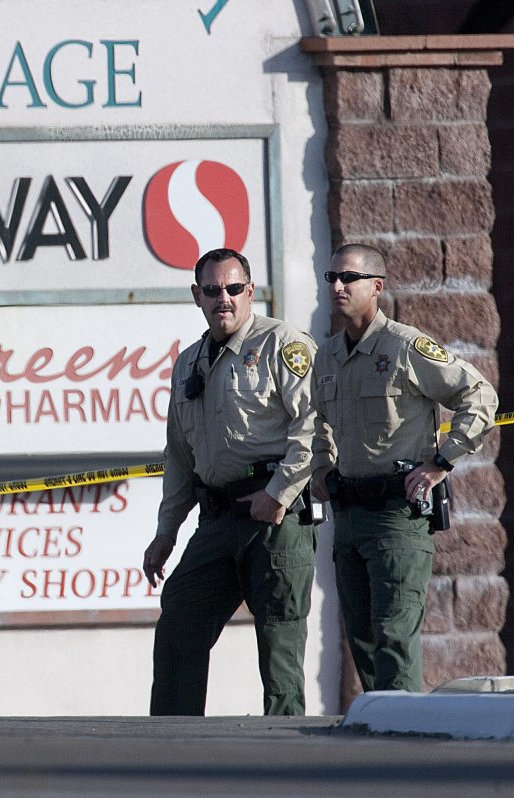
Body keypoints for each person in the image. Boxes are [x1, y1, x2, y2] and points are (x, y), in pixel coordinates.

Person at [310, 243, 497, 693]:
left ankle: (404, 747)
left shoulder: (405, 346)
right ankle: (380, 741)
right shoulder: (328, 355)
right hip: (350, 513)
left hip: (398, 515)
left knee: (393, 637)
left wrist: (440, 463)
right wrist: (321, 465)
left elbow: (480, 397)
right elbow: (315, 421)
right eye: (331, 278)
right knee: (362, 640)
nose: (337, 286)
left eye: (348, 278)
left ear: (376, 287)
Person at [143, 247, 318, 716]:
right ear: (197, 296)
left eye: (234, 288)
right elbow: (179, 458)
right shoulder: (188, 364)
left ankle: (287, 773)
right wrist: (166, 532)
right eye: (214, 290)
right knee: (179, 623)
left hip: (274, 521)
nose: (225, 298)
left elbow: (315, 428)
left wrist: (279, 493)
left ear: (250, 292)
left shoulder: (283, 343)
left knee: (279, 657)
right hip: (217, 519)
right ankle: (171, 760)